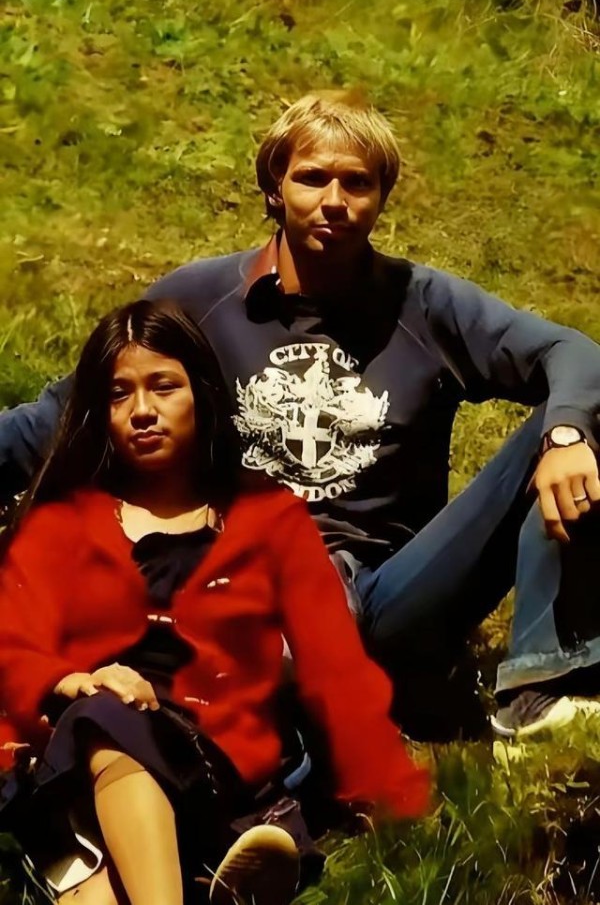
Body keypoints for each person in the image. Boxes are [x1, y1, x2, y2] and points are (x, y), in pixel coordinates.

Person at [1, 91, 600, 741]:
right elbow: (72, 411)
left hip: (399, 594)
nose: (334, 201)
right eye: (312, 178)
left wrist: (567, 434)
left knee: (579, 414)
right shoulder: (200, 301)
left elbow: (567, 350)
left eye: (357, 183)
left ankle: (539, 689)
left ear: (382, 196)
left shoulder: (425, 304)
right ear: (275, 188)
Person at [0, 299, 428, 905]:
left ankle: (189, 870)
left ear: (200, 393)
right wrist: (75, 681)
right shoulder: (63, 523)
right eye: (120, 394)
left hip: (215, 763)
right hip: (78, 753)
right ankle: (195, 882)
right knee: (105, 721)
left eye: (163, 387)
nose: (142, 411)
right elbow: (12, 643)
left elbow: (334, 662)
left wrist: (387, 789)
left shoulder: (268, 519)